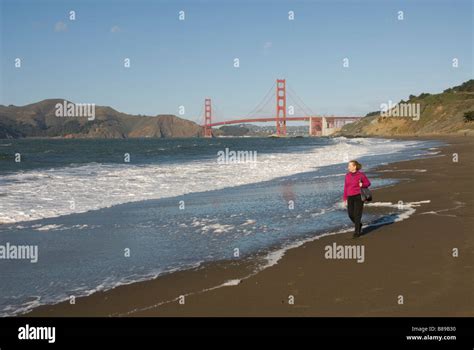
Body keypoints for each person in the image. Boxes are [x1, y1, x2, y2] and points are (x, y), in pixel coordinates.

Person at [343, 160, 371, 238]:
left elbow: (368, 183)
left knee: (357, 214)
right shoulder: (347, 175)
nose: (348, 167)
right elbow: (346, 187)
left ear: (354, 166)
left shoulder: (361, 175)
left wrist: (362, 184)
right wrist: (345, 198)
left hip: (359, 196)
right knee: (350, 214)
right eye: (348, 166)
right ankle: (359, 224)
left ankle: (357, 232)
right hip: (350, 197)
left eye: (349, 166)